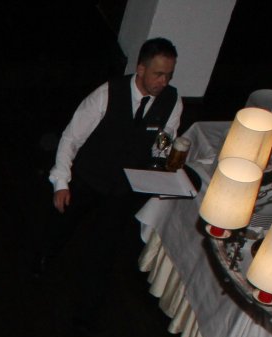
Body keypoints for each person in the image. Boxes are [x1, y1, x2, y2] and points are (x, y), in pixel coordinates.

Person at [50, 37, 181, 220]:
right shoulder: (106, 94)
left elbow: (164, 140)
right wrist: (61, 182)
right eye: (158, 74)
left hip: (126, 190)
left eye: (168, 75)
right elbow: (71, 138)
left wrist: (160, 166)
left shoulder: (172, 101)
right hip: (88, 180)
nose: (164, 82)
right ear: (141, 69)